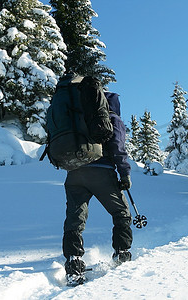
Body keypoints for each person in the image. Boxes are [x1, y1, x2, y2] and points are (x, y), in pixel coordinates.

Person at [63, 91, 133, 281]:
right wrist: (124, 174)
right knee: (121, 213)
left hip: (74, 173)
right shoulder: (113, 119)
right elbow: (118, 149)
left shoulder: (79, 115)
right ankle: (122, 253)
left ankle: (73, 261)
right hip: (102, 172)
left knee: (75, 218)